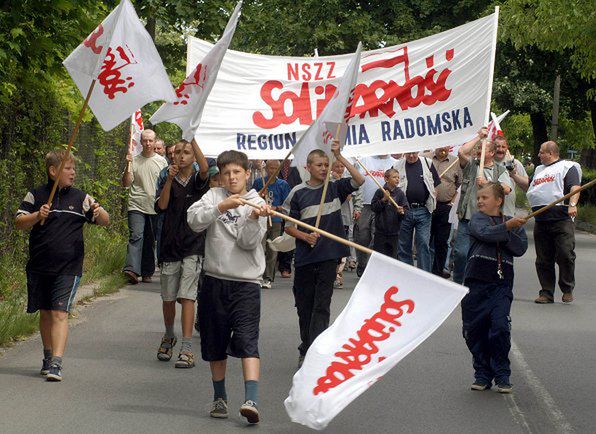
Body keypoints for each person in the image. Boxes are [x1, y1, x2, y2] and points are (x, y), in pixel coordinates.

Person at [187, 150, 271, 424]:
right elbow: (194, 222)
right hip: (214, 280)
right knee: (215, 342)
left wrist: (255, 218)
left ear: (248, 174)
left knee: (248, 341)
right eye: (227, 173)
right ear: (221, 177)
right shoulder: (213, 197)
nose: (232, 177)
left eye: (237, 172)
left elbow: (248, 243)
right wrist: (221, 208)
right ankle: (219, 397)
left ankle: (251, 400)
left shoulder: (258, 203)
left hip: (246, 284)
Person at [15, 150, 110, 381]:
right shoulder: (36, 195)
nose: (73, 172)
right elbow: (19, 222)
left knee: (59, 312)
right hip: (39, 266)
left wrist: (98, 211)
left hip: (68, 267)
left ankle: (57, 363)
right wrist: (38, 215)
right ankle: (47, 357)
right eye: (68, 168)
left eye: (74, 169)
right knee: (46, 313)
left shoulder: (81, 198)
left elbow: (104, 221)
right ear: (53, 171)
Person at [283, 141, 365, 367]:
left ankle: (314, 351)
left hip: (329, 256)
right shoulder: (297, 193)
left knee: (322, 305)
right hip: (305, 258)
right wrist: (304, 237)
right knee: (304, 305)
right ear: (308, 167)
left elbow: (360, 180)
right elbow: (288, 226)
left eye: (327, 165)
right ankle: (305, 345)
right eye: (319, 164)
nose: (323, 168)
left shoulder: (335, 187)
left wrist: (340, 155)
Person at [462, 183, 527, 393]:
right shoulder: (477, 219)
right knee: (474, 331)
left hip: (501, 284)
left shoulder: (513, 222)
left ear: (499, 201)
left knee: (499, 327)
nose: (480, 201)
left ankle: (501, 374)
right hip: (476, 283)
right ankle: (482, 372)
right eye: (478, 197)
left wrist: (509, 228)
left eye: (485, 197)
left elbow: (520, 248)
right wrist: (507, 229)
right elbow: (484, 233)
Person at [155, 140, 209, 368]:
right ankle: (169, 334)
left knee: (187, 296)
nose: (182, 156)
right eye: (178, 152)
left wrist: (193, 137)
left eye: (187, 153)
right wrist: (169, 179)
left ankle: (186, 346)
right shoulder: (168, 179)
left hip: (193, 246)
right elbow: (163, 206)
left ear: (193, 157)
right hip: (169, 246)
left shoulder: (198, 181)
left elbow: (205, 169)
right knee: (168, 298)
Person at [517, 141, 581, 304]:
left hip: (561, 219)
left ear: (551, 153)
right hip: (541, 219)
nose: (538, 155)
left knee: (565, 254)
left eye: (541, 152)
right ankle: (546, 292)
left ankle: (567, 288)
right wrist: (513, 174)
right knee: (543, 259)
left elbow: (575, 187)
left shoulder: (567, 167)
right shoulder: (539, 170)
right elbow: (528, 186)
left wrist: (572, 204)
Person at [452, 129, 512, 284]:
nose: (478, 152)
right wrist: (479, 137)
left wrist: (488, 184)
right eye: (478, 149)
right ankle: (459, 283)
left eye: (482, 149)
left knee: (482, 254)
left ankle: (476, 282)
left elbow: (506, 188)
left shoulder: (500, 169)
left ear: (491, 153)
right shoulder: (472, 165)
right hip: (468, 218)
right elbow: (462, 151)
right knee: (461, 253)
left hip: (488, 220)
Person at [122, 129, 168, 284]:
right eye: (145, 140)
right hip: (136, 204)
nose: (148, 143)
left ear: (155, 142)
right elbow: (126, 183)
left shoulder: (162, 162)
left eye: (150, 140)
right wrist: (128, 164)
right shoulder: (134, 160)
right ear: (140, 142)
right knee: (136, 236)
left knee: (150, 239)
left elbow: (166, 184)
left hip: (155, 205)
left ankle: (147, 271)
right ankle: (132, 269)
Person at [394, 152, 441, 271]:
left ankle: (424, 275)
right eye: (409, 153)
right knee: (404, 244)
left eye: (414, 153)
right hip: (404, 211)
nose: (411, 156)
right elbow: (391, 187)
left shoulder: (427, 163)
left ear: (418, 152)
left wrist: (433, 197)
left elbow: (436, 183)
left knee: (423, 243)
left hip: (424, 210)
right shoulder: (396, 166)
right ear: (404, 153)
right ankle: (406, 274)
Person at [353, 155, 397, 276]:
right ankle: (361, 263)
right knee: (362, 237)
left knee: (376, 238)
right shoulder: (363, 160)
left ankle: (371, 268)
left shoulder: (395, 163)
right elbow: (354, 179)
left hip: (383, 207)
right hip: (365, 205)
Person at [251, 160, 291, 289]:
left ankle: (268, 277)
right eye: (270, 168)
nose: (272, 171)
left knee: (272, 249)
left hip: (276, 220)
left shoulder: (283, 184)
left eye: (275, 168)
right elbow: (252, 199)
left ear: (279, 169)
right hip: (261, 219)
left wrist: (275, 208)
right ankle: (258, 275)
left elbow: (286, 204)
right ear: (266, 168)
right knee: (259, 248)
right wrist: (259, 196)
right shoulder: (259, 182)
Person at [430, 147, 461, 277]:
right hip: (429, 205)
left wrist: (452, 203)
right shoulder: (427, 159)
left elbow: (460, 184)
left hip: (446, 206)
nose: (443, 148)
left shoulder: (456, 162)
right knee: (426, 239)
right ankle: (426, 269)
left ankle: (438, 271)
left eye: (446, 146)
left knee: (442, 241)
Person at [370, 168, 408, 258]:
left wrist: (401, 211)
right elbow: (374, 207)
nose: (397, 179)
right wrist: (383, 200)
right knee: (379, 257)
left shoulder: (400, 193)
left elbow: (406, 210)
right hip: (380, 233)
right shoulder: (380, 192)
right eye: (394, 177)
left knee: (392, 258)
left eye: (398, 177)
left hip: (394, 233)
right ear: (386, 179)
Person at [494, 135, 529, 217]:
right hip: (487, 215)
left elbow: (527, 186)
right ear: (492, 147)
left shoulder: (515, 163)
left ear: (507, 148)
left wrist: (514, 175)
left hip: (507, 213)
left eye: (503, 147)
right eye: (497, 146)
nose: (500, 149)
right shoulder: (486, 162)